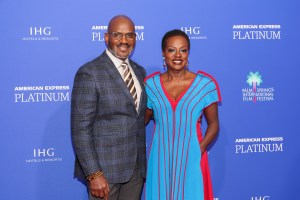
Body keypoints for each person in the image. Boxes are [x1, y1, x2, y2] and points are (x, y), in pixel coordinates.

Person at [71, 15, 147, 200]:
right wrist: (94, 174)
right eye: (117, 35)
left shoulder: (139, 71)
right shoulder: (89, 72)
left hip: (135, 172)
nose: (124, 41)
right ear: (106, 37)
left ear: (135, 39)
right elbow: (81, 129)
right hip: (105, 173)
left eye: (129, 35)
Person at [144, 29, 221, 200]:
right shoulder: (151, 85)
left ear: (188, 53)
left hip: (192, 159)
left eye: (183, 50)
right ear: (164, 53)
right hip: (160, 161)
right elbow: (141, 120)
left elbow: (214, 125)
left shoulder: (205, 84)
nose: (178, 55)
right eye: (172, 50)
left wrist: (198, 149)